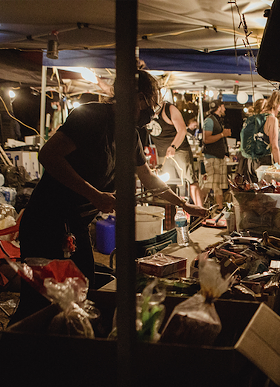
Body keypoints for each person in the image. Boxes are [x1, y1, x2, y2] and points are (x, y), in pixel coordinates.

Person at [13, 70, 208, 323]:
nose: (153, 109)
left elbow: (149, 178)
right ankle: (9, 352)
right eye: (152, 101)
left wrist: (184, 205)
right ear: (137, 98)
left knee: (82, 291)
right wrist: (94, 195)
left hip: (75, 226)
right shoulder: (91, 116)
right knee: (38, 301)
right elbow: (48, 156)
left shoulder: (131, 136)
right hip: (46, 221)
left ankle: (66, 348)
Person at [147, 97, 201, 204]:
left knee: (190, 180)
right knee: (166, 183)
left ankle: (201, 211)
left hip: (179, 150)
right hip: (162, 152)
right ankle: (171, 211)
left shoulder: (169, 109)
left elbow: (182, 130)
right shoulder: (145, 111)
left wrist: (173, 146)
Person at [201, 100, 232, 212]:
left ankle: (218, 208)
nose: (224, 109)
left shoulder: (217, 120)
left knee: (216, 184)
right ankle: (200, 204)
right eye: (223, 106)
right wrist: (223, 134)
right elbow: (206, 139)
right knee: (211, 184)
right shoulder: (209, 120)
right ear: (219, 107)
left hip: (218, 157)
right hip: (211, 157)